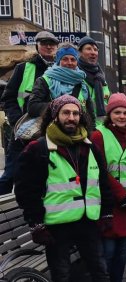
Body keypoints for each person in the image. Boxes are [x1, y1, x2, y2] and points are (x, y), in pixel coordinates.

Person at [14, 95, 113, 282]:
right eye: (66, 112)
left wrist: (107, 212)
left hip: (88, 221)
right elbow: (26, 191)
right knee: (62, 276)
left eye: (76, 113)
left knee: (100, 272)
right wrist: (35, 223)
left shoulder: (90, 148)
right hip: (56, 227)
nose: (71, 117)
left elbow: (103, 182)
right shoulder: (38, 148)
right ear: (55, 116)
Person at [91, 93, 126, 282]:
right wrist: (122, 195)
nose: (122, 116)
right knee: (108, 252)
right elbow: (100, 170)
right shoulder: (98, 135)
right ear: (109, 114)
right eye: (117, 112)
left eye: (125, 113)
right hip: (109, 203)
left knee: (122, 252)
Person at [0, 31, 59, 195]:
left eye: (52, 44)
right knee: (10, 174)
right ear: (37, 46)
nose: (48, 46)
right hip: (23, 132)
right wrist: (16, 120)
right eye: (44, 43)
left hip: (51, 133)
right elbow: (9, 98)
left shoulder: (60, 70)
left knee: (45, 176)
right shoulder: (23, 68)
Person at [28, 43, 95, 123]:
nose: (69, 63)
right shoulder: (44, 80)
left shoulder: (82, 83)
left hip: (78, 131)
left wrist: (91, 132)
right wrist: (59, 105)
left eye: (73, 59)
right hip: (51, 129)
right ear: (58, 61)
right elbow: (32, 107)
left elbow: (90, 114)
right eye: (65, 59)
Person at [77, 36, 111, 120]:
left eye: (95, 50)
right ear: (80, 52)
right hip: (83, 123)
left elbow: (108, 101)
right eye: (88, 49)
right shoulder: (75, 74)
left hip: (102, 124)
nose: (93, 52)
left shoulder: (101, 77)